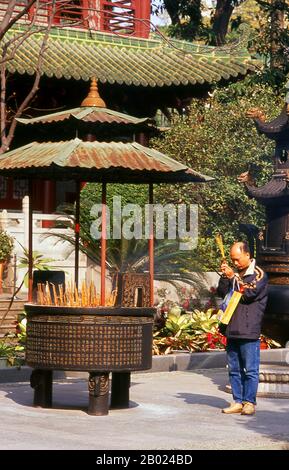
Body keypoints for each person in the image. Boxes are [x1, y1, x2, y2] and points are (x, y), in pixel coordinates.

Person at [217, 241, 268, 415]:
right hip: (232, 327)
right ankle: (237, 401)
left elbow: (247, 294)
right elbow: (222, 292)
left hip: (249, 329)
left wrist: (233, 277)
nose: (235, 263)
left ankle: (249, 402)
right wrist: (225, 276)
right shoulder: (235, 273)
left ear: (247, 255)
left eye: (237, 259)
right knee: (234, 369)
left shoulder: (259, 274)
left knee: (251, 370)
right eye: (232, 260)